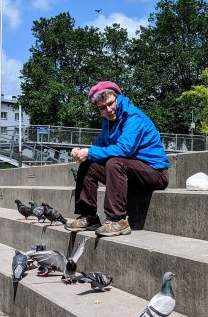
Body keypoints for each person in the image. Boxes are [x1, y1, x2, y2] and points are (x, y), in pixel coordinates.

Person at [66, 81, 170, 236]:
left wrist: (90, 152)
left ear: (117, 97)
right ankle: (89, 216)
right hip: (130, 174)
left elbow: (124, 149)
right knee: (89, 164)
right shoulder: (108, 123)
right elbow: (99, 147)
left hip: (155, 173)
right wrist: (82, 152)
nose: (108, 110)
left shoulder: (133, 117)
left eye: (110, 103)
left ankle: (118, 220)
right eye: (102, 108)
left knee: (115, 162)